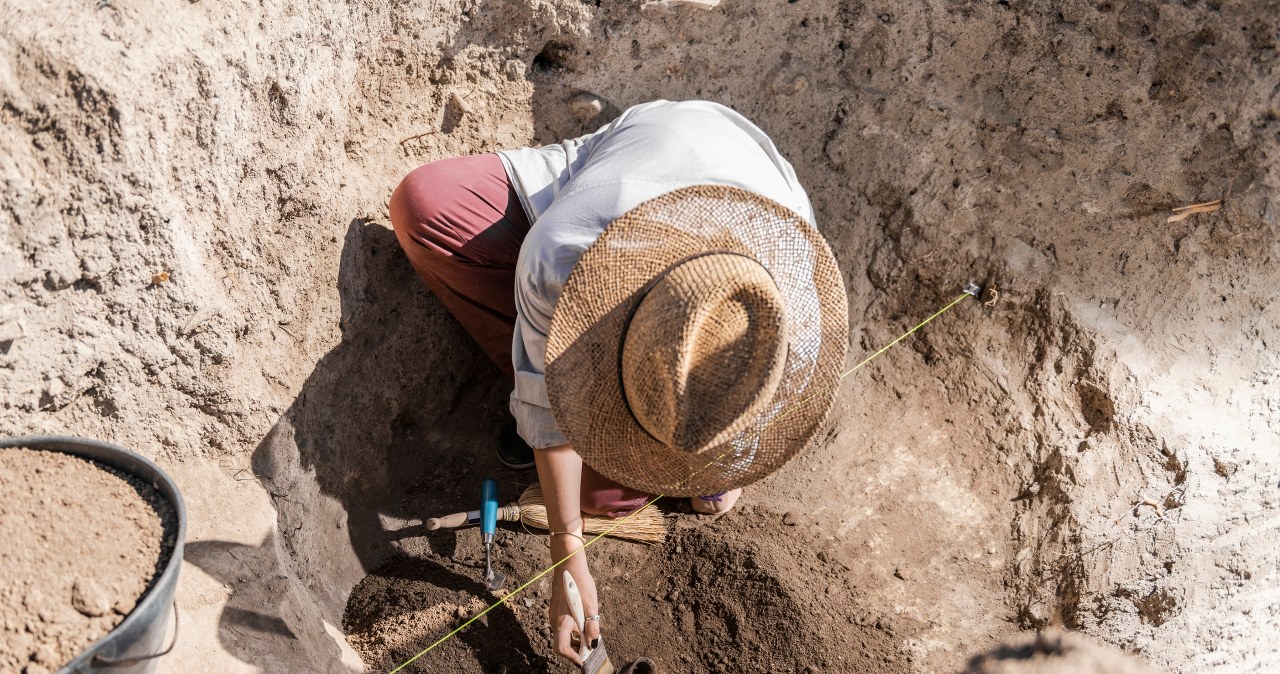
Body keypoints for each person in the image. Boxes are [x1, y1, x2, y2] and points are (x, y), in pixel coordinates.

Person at [389, 100, 848, 666]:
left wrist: (726, 473)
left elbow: (752, 416)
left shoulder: (788, 321)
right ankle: (577, 384)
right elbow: (550, 427)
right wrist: (568, 553)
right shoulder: (562, 253)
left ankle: (660, 449)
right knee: (425, 203)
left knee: (630, 492)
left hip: (743, 172)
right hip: (630, 154)